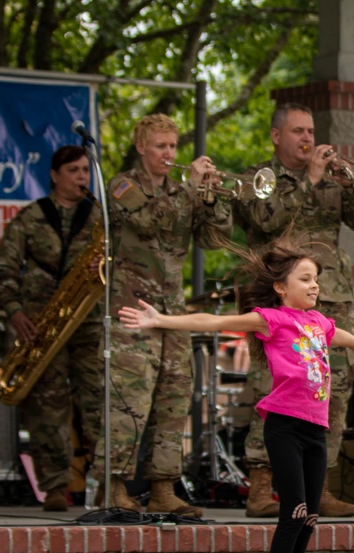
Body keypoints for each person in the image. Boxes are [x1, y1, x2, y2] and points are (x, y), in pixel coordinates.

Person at [118, 239, 354, 553]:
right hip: (284, 425)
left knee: (311, 517)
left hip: (316, 430)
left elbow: (347, 338)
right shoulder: (272, 319)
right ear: (282, 287)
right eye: (305, 279)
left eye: (316, 279)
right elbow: (212, 323)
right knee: (294, 512)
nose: (314, 286)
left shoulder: (320, 323)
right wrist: (160, 320)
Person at [234, 102, 354, 519]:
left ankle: (322, 483)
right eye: (298, 131)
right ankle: (261, 485)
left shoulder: (333, 178)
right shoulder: (259, 179)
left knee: (332, 386)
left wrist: (347, 184)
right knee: (272, 385)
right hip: (280, 301)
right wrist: (310, 181)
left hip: (329, 298)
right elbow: (264, 221)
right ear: (277, 136)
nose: (308, 139)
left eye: (311, 131)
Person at [95, 113, 232, 515]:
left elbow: (212, 238)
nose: (168, 154)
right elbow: (150, 221)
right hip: (132, 308)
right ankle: (115, 485)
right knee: (129, 397)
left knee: (174, 397)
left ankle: (163, 485)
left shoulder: (181, 190)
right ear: (141, 147)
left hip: (172, 311)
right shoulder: (123, 185)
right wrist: (190, 189)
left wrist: (211, 198)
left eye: (173, 146)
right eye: (160, 146)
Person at [0, 145, 103, 511]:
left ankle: (105, 483)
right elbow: (3, 273)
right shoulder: (30, 217)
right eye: (73, 170)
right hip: (41, 325)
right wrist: (16, 312)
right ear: (55, 175)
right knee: (47, 408)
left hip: (87, 323)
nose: (82, 177)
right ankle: (55, 486)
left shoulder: (99, 218)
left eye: (86, 170)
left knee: (98, 404)